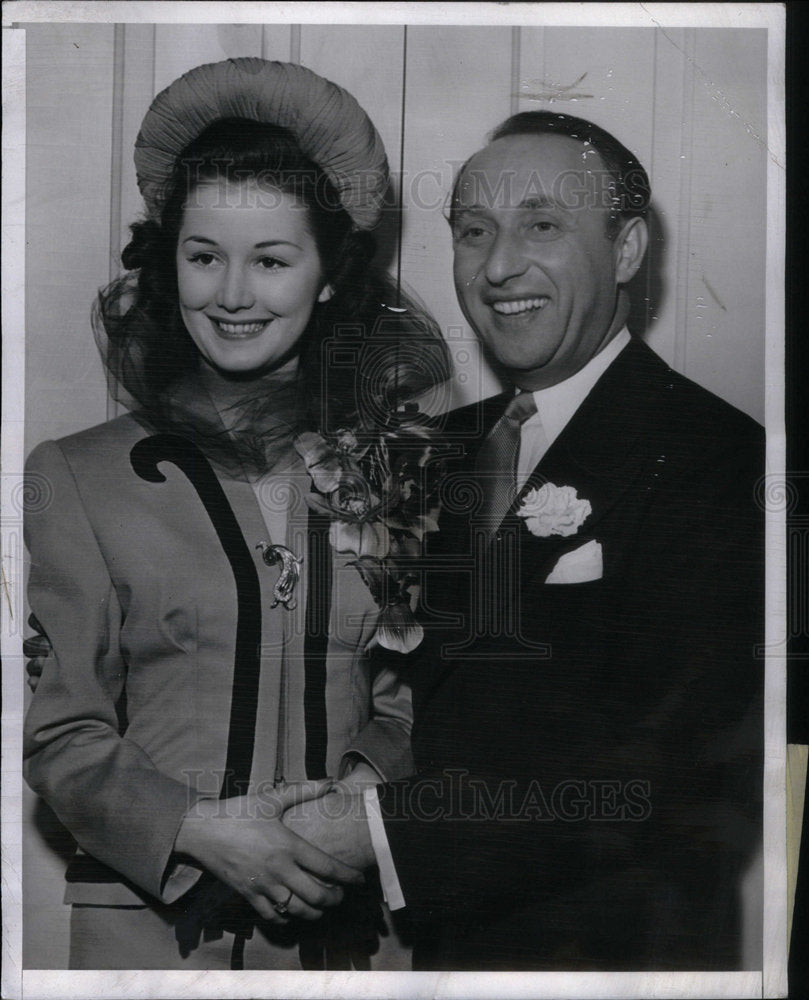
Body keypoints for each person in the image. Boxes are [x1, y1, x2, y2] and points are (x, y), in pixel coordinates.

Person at [281, 111, 765, 971]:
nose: (499, 268)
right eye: (473, 232)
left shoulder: (720, 459)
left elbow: (674, 776)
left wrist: (378, 832)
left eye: (541, 225)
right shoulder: (437, 449)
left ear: (624, 251)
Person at [23, 57, 449, 971]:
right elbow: (64, 734)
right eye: (204, 255)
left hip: (352, 931)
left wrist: (355, 812)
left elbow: (422, 698)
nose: (232, 294)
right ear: (167, 257)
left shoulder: (401, 470)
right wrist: (202, 832)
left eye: (271, 260)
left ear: (329, 274)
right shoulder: (76, 476)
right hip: (144, 935)